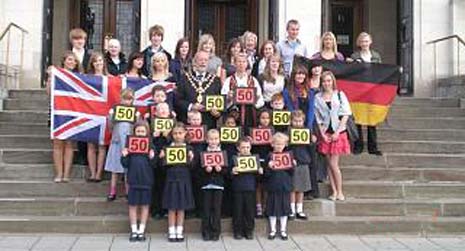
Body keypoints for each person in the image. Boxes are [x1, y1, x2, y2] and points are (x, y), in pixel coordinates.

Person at [314, 71, 352, 201]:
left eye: (329, 81)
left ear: (333, 81)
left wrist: (338, 132)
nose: (326, 83)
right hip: (326, 133)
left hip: (338, 133)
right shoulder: (318, 97)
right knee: (329, 164)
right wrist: (322, 134)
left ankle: (340, 191)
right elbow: (318, 117)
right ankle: (334, 191)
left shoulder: (340, 95)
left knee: (334, 163)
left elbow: (346, 114)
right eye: (324, 81)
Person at [48, 51, 81, 183]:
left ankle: (66, 174)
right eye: (69, 60)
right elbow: (49, 93)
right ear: (64, 61)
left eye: (74, 60)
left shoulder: (79, 77)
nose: (72, 62)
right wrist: (50, 78)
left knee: (69, 143)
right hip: (57, 111)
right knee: (57, 142)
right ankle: (59, 173)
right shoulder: (57, 75)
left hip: (72, 113)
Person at [159, 122, 195, 242]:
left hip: (184, 180)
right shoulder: (167, 148)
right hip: (171, 180)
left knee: (181, 207)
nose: (178, 135)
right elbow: (162, 167)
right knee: (171, 207)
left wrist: (191, 158)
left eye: (180, 133)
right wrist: (161, 158)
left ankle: (179, 231)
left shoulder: (189, 148)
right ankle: (171, 231)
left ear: (185, 134)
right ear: (171, 134)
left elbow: (192, 167)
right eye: (175, 133)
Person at [121, 120, 156, 242]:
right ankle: (134, 230)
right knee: (133, 205)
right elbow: (125, 164)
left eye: (143, 131)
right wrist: (124, 155)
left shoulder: (151, 146)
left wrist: (152, 157)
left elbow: (154, 164)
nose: (140, 133)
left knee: (145, 205)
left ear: (147, 132)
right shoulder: (130, 146)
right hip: (133, 180)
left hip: (146, 180)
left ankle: (141, 230)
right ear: (134, 132)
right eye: (138, 131)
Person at [348, 32, 383, 156]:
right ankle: (358, 145)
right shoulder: (354, 55)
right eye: (362, 41)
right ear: (359, 43)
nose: (364, 43)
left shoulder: (376, 56)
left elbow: (381, 71)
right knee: (357, 118)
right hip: (358, 90)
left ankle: (373, 147)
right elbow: (351, 72)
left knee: (371, 119)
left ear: (370, 42)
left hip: (372, 90)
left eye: (366, 41)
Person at [104, 88, 138, 201]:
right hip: (117, 141)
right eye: (125, 99)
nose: (126, 102)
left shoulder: (134, 111)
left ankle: (128, 190)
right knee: (115, 167)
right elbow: (110, 126)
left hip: (129, 143)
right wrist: (110, 117)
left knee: (128, 168)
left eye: (129, 99)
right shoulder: (115, 110)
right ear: (120, 98)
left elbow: (138, 127)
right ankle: (112, 190)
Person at [175, 50, 222, 129]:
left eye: (205, 60)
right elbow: (177, 100)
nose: (203, 62)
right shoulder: (184, 78)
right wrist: (191, 106)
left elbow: (220, 102)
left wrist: (217, 112)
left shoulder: (216, 80)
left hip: (208, 124)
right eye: (200, 60)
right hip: (188, 124)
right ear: (195, 62)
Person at [230, 137, 263, 240]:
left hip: (250, 188)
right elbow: (228, 175)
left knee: (249, 211)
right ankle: (238, 231)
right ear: (238, 148)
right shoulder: (234, 159)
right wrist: (232, 172)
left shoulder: (254, 159)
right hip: (237, 189)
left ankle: (249, 231)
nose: (246, 149)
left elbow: (258, 178)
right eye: (243, 147)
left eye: (248, 147)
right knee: (237, 211)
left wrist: (260, 172)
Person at [221, 52, 265, 128]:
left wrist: (256, 99)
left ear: (247, 64)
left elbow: (261, 101)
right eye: (239, 61)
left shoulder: (253, 80)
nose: (241, 64)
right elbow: (222, 100)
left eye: (244, 62)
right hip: (234, 114)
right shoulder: (229, 80)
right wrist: (228, 97)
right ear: (234, 64)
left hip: (250, 115)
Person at [264, 132, 293, 240]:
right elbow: (266, 174)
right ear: (272, 144)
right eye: (277, 144)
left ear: (285, 145)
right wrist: (269, 167)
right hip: (273, 186)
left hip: (285, 186)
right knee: (272, 209)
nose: (279, 146)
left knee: (284, 209)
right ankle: (272, 230)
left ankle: (283, 230)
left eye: (281, 144)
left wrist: (292, 165)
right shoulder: (269, 156)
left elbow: (291, 173)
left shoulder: (288, 156)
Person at [200, 129, 227, 241]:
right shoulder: (203, 153)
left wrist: (220, 170)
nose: (213, 141)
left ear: (219, 140)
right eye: (211, 139)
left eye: (216, 139)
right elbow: (198, 171)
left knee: (216, 209)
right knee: (206, 209)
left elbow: (226, 171)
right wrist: (205, 169)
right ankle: (205, 231)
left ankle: (216, 232)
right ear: (207, 140)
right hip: (206, 185)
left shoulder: (222, 153)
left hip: (218, 185)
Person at [85, 52, 108, 182]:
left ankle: (99, 173)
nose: (98, 63)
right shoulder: (87, 78)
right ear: (92, 64)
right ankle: (92, 173)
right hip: (90, 113)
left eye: (100, 60)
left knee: (102, 145)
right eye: (95, 61)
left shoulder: (110, 77)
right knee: (91, 145)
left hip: (104, 115)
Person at [69, 28, 90, 166]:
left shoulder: (89, 55)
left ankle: (83, 154)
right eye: (76, 39)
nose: (79, 41)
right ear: (72, 40)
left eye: (81, 39)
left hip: (86, 96)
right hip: (71, 95)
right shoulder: (68, 55)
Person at [288, 110, 312, 220]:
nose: (297, 123)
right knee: (292, 188)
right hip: (292, 162)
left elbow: (311, 147)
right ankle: (291, 209)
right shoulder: (288, 133)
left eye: (300, 121)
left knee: (301, 188)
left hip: (303, 161)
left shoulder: (307, 132)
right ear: (291, 121)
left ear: (303, 121)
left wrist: (313, 140)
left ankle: (300, 209)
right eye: (295, 121)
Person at [251, 109, 273, 218]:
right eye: (263, 118)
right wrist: (252, 142)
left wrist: (272, 142)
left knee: (266, 185)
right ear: (259, 119)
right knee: (258, 185)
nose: (265, 120)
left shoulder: (272, 131)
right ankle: (258, 207)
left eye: (267, 118)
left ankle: (266, 207)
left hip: (268, 160)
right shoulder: (254, 131)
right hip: (258, 159)